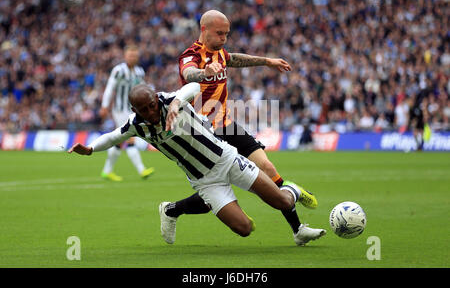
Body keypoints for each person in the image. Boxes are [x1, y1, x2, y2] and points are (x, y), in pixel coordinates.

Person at [68, 83, 326, 245]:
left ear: (156, 99)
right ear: (135, 110)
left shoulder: (170, 101)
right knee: (244, 229)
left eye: (151, 105)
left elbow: (192, 86)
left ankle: (295, 191)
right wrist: (90, 149)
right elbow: (113, 136)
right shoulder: (136, 125)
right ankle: (169, 210)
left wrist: (177, 103)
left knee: (282, 202)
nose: (150, 112)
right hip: (204, 180)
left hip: (227, 159)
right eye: (143, 110)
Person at [159, 10, 319, 246]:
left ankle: (298, 230)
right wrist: (204, 73)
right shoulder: (190, 55)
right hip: (203, 133)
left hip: (226, 124)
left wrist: (266, 61)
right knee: (211, 195)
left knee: (266, 166)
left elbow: (233, 58)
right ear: (204, 30)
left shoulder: (220, 52)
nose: (224, 38)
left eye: (227, 33)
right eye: (219, 33)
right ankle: (172, 210)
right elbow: (187, 72)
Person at [99, 45, 154, 181]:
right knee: (130, 138)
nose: (132, 58)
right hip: (120, 110)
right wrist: (104, 106)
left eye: (135, 56)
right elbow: (110, 87)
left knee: (119, 141)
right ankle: (142, 170)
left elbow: (142, 89)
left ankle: (107, 171)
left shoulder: (139, 71)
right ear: (125, 56)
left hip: (133, 110)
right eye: (130, 55)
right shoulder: (119, 70)